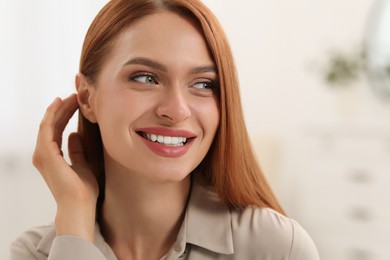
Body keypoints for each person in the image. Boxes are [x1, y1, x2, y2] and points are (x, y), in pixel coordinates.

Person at [10, 0, 320, 259]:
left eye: (202, 84)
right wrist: (75, 224)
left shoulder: (277, 248)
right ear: (88, 98)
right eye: (145, 78)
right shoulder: (35, 253)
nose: (176, 110)